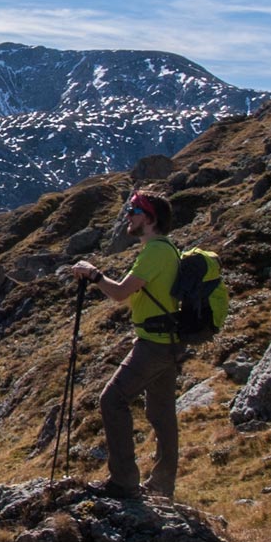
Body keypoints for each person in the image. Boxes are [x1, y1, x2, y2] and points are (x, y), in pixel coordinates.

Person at [66, 190, 186, 499]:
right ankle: (162, 485)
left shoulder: (155, 251)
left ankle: (124, 481)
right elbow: (132, 295)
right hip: (168, 343)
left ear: (149, 218)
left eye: (133, 212)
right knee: (161, 414)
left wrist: (94, 275)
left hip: (153, 345)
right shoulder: (165, 249)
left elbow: (120, 294)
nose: (127, 217)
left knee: (112, 400)